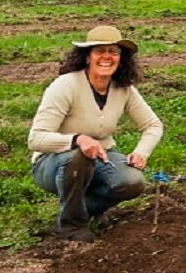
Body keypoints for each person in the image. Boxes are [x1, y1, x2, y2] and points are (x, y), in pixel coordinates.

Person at [28, 25, 163, 242]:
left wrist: (141, 153)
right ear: (87, 57)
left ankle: (83, 210)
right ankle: (71, 226)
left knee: (132, 181)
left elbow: (153, 125)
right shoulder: (65, 86)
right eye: (99, 51)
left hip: (102, 158)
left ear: (121, 58)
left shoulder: (123, 89)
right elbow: (36, 139)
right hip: (53, 163)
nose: (106, 57)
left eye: (113, 52)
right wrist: (77, 139)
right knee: (78, 156)